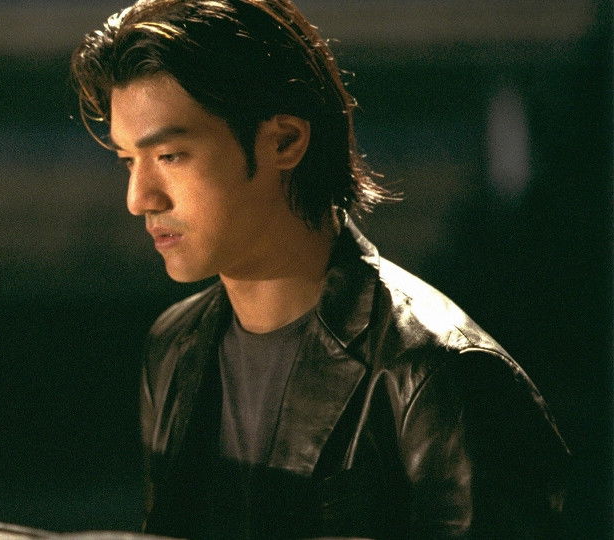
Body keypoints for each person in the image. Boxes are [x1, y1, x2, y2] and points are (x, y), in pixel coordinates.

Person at [70, 1, 570, 538]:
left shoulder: (434, 373)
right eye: (128, 161)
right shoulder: (176, 347)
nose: (139, 199)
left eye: (169, 156)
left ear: (284, 141)